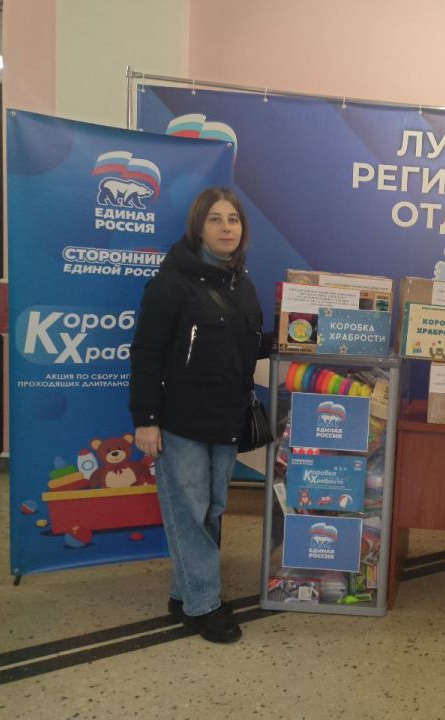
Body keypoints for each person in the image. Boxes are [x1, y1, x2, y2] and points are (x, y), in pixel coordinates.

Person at [129, 187, 265, 644]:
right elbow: (146, 352)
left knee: (212, 510)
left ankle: (182, 592)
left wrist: (301, 334)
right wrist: (146, 418)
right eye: (215, 219)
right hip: (180, 421)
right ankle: (203, 604)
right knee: (189, 512)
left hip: (225, 420)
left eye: (233, 219)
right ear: (198, 228)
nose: (227, 228)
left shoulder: (242, 286)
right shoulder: (170, 285)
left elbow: (246, 347)